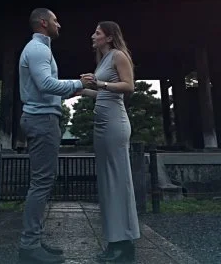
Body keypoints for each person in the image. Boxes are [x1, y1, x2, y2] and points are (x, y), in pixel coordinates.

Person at [18, 8, 93, 264]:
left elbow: (51, 90)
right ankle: (29, 245)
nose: (59, 25)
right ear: (43, 22)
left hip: (43, 118)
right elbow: (47, 85)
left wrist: (80, 88)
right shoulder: (38, 50)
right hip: (41, 120)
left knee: (43, 181)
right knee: (40, 183)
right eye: (55, 20)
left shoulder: (41, 49)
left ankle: (34, 240)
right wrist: (80, 83)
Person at [80, 21, 140, 262]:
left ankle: (124, 244)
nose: (93, 35)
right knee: (107, 183)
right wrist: (83, 90)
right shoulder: (102, 60)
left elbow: (129, 86)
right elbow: (102, 93)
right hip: (102, 125)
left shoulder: (118, 55)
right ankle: (115, 240)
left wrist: (101, 83)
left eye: (97, 32)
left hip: (115, 124)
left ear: (109, 37)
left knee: (118, 182)